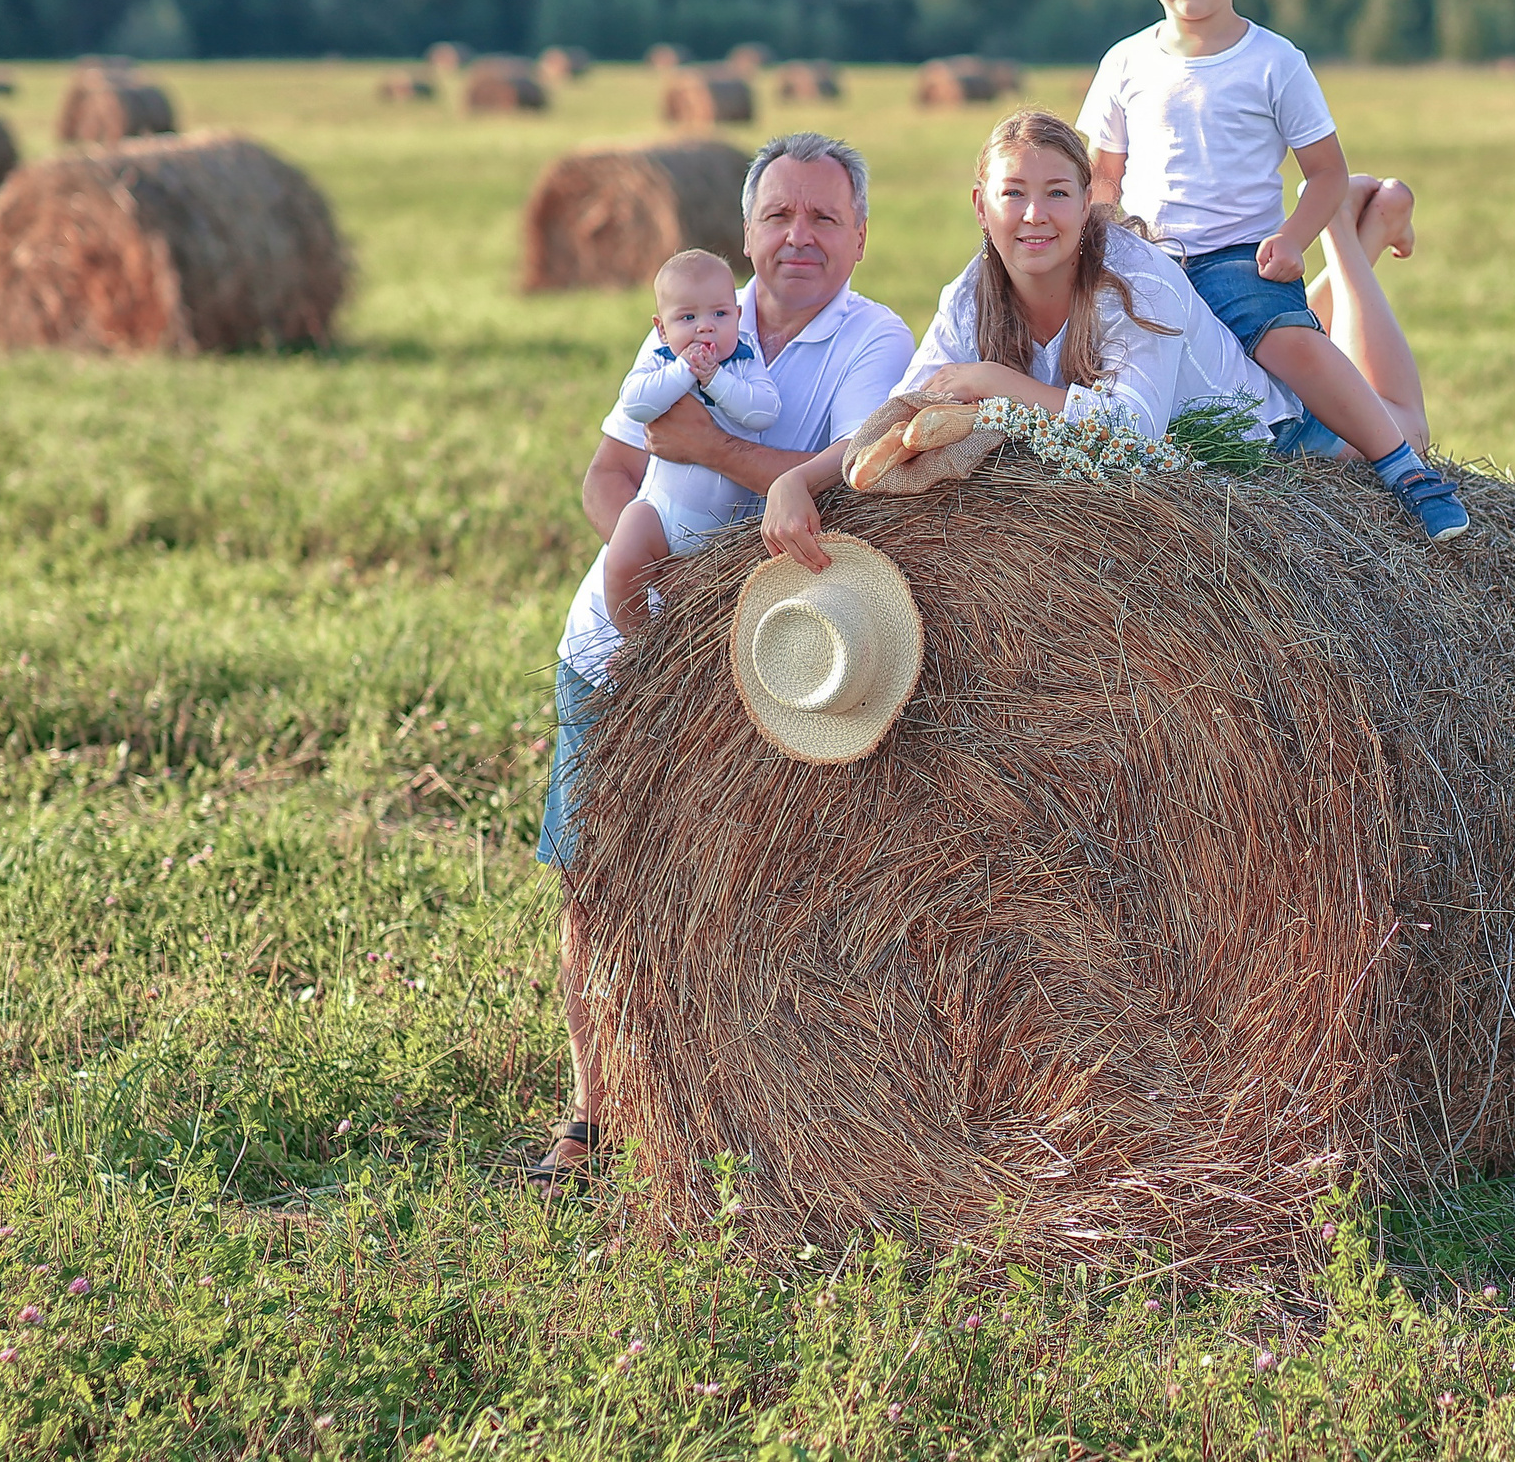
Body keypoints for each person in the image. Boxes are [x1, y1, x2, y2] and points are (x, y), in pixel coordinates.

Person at [529, 131, 916, 1192]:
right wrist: (643, 552)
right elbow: (610, 470)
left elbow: (845, 481)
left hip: (777, 658)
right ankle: (592, 1114)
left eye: (824, 217)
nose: (799, 236)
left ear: (859, 235)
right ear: (746, 230)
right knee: (592, 882)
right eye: (779, 215)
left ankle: (746, 1110)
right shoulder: (688, 319)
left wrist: (706, 455)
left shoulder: (875, 341)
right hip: (616, 649)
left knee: (759, 883)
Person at [1078, 0, 1471, 542]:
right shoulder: (1124, 62)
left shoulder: (1274, 61)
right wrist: (1099, 247)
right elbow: (1101, 178)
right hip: (1150, 259)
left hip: (1238, 256)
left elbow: (1323, 170)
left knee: (1291, 348)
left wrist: (1291, 239)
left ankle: (1405, 467)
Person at [762, 109, 1318, 566]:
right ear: (981, 207)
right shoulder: (968, 296)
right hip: (1145, 489)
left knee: (1404, 422)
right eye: (1013, 194)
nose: (1035, 215)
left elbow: (1135, 430)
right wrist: (799, 480)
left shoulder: (1136, 281)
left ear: (1085, 203)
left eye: (1056, 193)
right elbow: (903, 412)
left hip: (1264, 447)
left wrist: (992, 381)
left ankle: (1352, 236)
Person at [601, 248, 781, 631]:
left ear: (737, 314)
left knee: (719, 602)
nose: (705, 328)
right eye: (688, 317)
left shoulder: (745, 360)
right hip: (660, 512)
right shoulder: (663, 360)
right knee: (622, 556)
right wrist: (684, 371)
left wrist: (716, 380)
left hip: (724, 532)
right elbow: (635, 403)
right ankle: (639, 641)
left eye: (719, 314)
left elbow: (764, 411)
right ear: (662, 328)